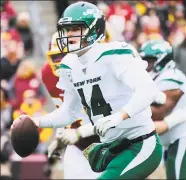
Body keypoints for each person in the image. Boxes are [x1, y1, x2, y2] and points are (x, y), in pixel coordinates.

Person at [12, 2, 162, 179]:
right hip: (109, 147)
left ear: (94, 29)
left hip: (140, 142)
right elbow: (69, 113)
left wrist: (119, 116)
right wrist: (37, 122)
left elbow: (148, 89)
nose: (68, 35)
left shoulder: (113, 55)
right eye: (66, 30)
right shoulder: (69, 64)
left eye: (75, 29)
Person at [43, 31, 101, 179]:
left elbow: (111, 118)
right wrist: (60, 137)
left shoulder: (97, 71)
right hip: (79, 144)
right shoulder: (48, 74)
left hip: (111, 142)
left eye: (67, 56)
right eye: (57, 57)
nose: (62, 63)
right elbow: (64, 109)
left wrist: (79, 133)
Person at [139, 40, 186, 179]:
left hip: (181, 137)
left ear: (162, 60)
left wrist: (130, 111)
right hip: (170, 139)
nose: (146, 66)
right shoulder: (155, 79)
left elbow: (159, 113)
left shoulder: (171, 77)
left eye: (150, 61)